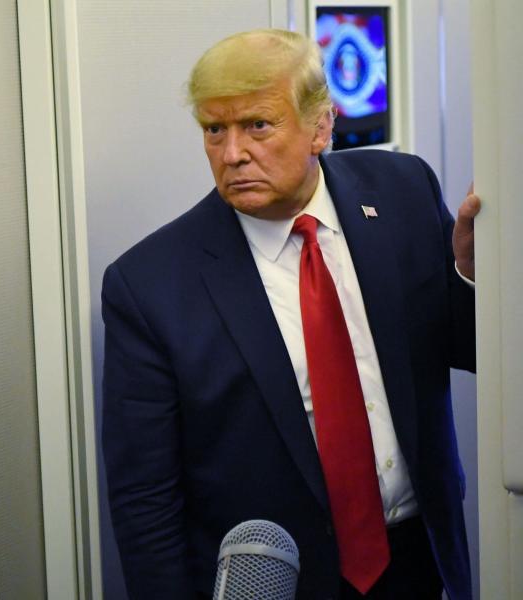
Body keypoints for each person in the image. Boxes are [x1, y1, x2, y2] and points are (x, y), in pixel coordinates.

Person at [101, 29, 480, 600]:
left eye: (258, 124)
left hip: (419, 559)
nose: (232, 153)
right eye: (214, 130)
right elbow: (145, 501)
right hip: (279, 580)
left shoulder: (402, 191)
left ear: (321, 126)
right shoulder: (150, 284)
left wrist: (474, 277)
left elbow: (469, 348)